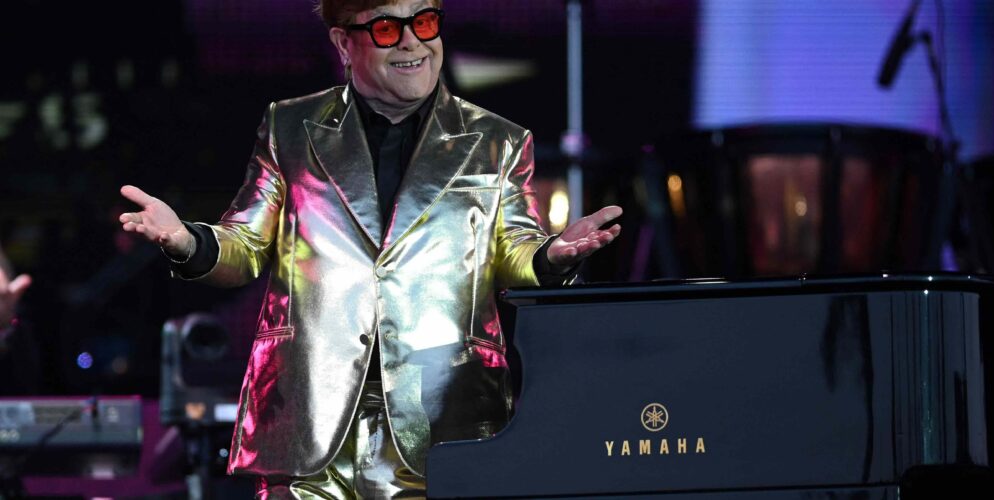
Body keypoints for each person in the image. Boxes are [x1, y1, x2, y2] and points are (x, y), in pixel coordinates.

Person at [119, 0, 621, 496]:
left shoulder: (498, 141)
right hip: (307, 416)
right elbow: (246, 243)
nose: (412, 42)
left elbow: (515, 250)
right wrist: (188, 241)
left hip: (444, 416)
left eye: (424, 22)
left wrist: (551, 256)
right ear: (343, 43)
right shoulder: (289, 127)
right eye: (387, 28)